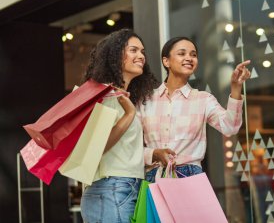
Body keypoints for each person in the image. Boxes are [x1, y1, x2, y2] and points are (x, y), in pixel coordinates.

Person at [138, 37, 251, 182]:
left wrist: (236, 87)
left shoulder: (203, 99)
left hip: (190, 175)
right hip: (154, 176)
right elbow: (130, 146)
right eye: (182, 53)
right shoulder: (146, 100)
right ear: (166, 61)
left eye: (193, 55)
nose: (189, 58)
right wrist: (153, 153)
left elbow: (230, 127)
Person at [80, 29, 158, 223]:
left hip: (120, 187)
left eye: (142, 51)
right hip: (112, 188)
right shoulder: (107, 95)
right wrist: (130, 115)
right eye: (133, 50)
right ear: (115, 55)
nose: (141, 56)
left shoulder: (122, 96)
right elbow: (98, 146)